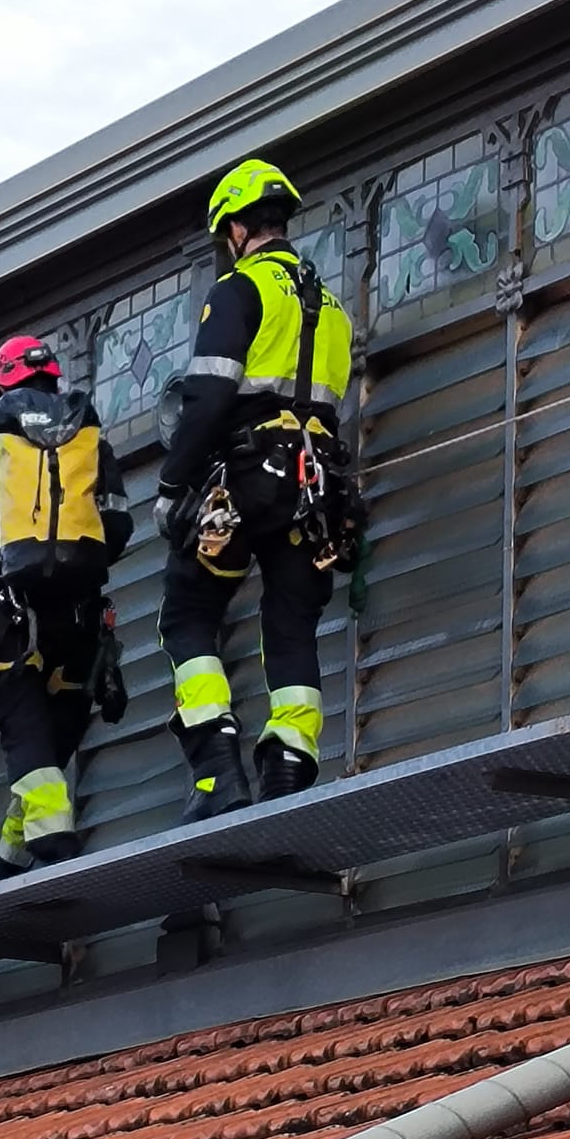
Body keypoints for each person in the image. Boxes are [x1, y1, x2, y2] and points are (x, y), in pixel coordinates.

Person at [153, 158, 357, 822]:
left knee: (187, 613)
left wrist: (172, 484)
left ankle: (217, 769)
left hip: (244, 478)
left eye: (224, 236)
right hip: (316, 486)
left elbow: (208, 396)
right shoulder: (332, 310)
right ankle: (292, 763)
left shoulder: (239, 290)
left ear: (238, 228)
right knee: (292, 622)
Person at [0, 335, 133, 879]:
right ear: (52, 378)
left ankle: (53, 849)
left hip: (11, 619)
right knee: (52, 740)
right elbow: (118, 526)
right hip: (80, 619)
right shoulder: (91, 437)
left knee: (26, 734)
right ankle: (9, 862)